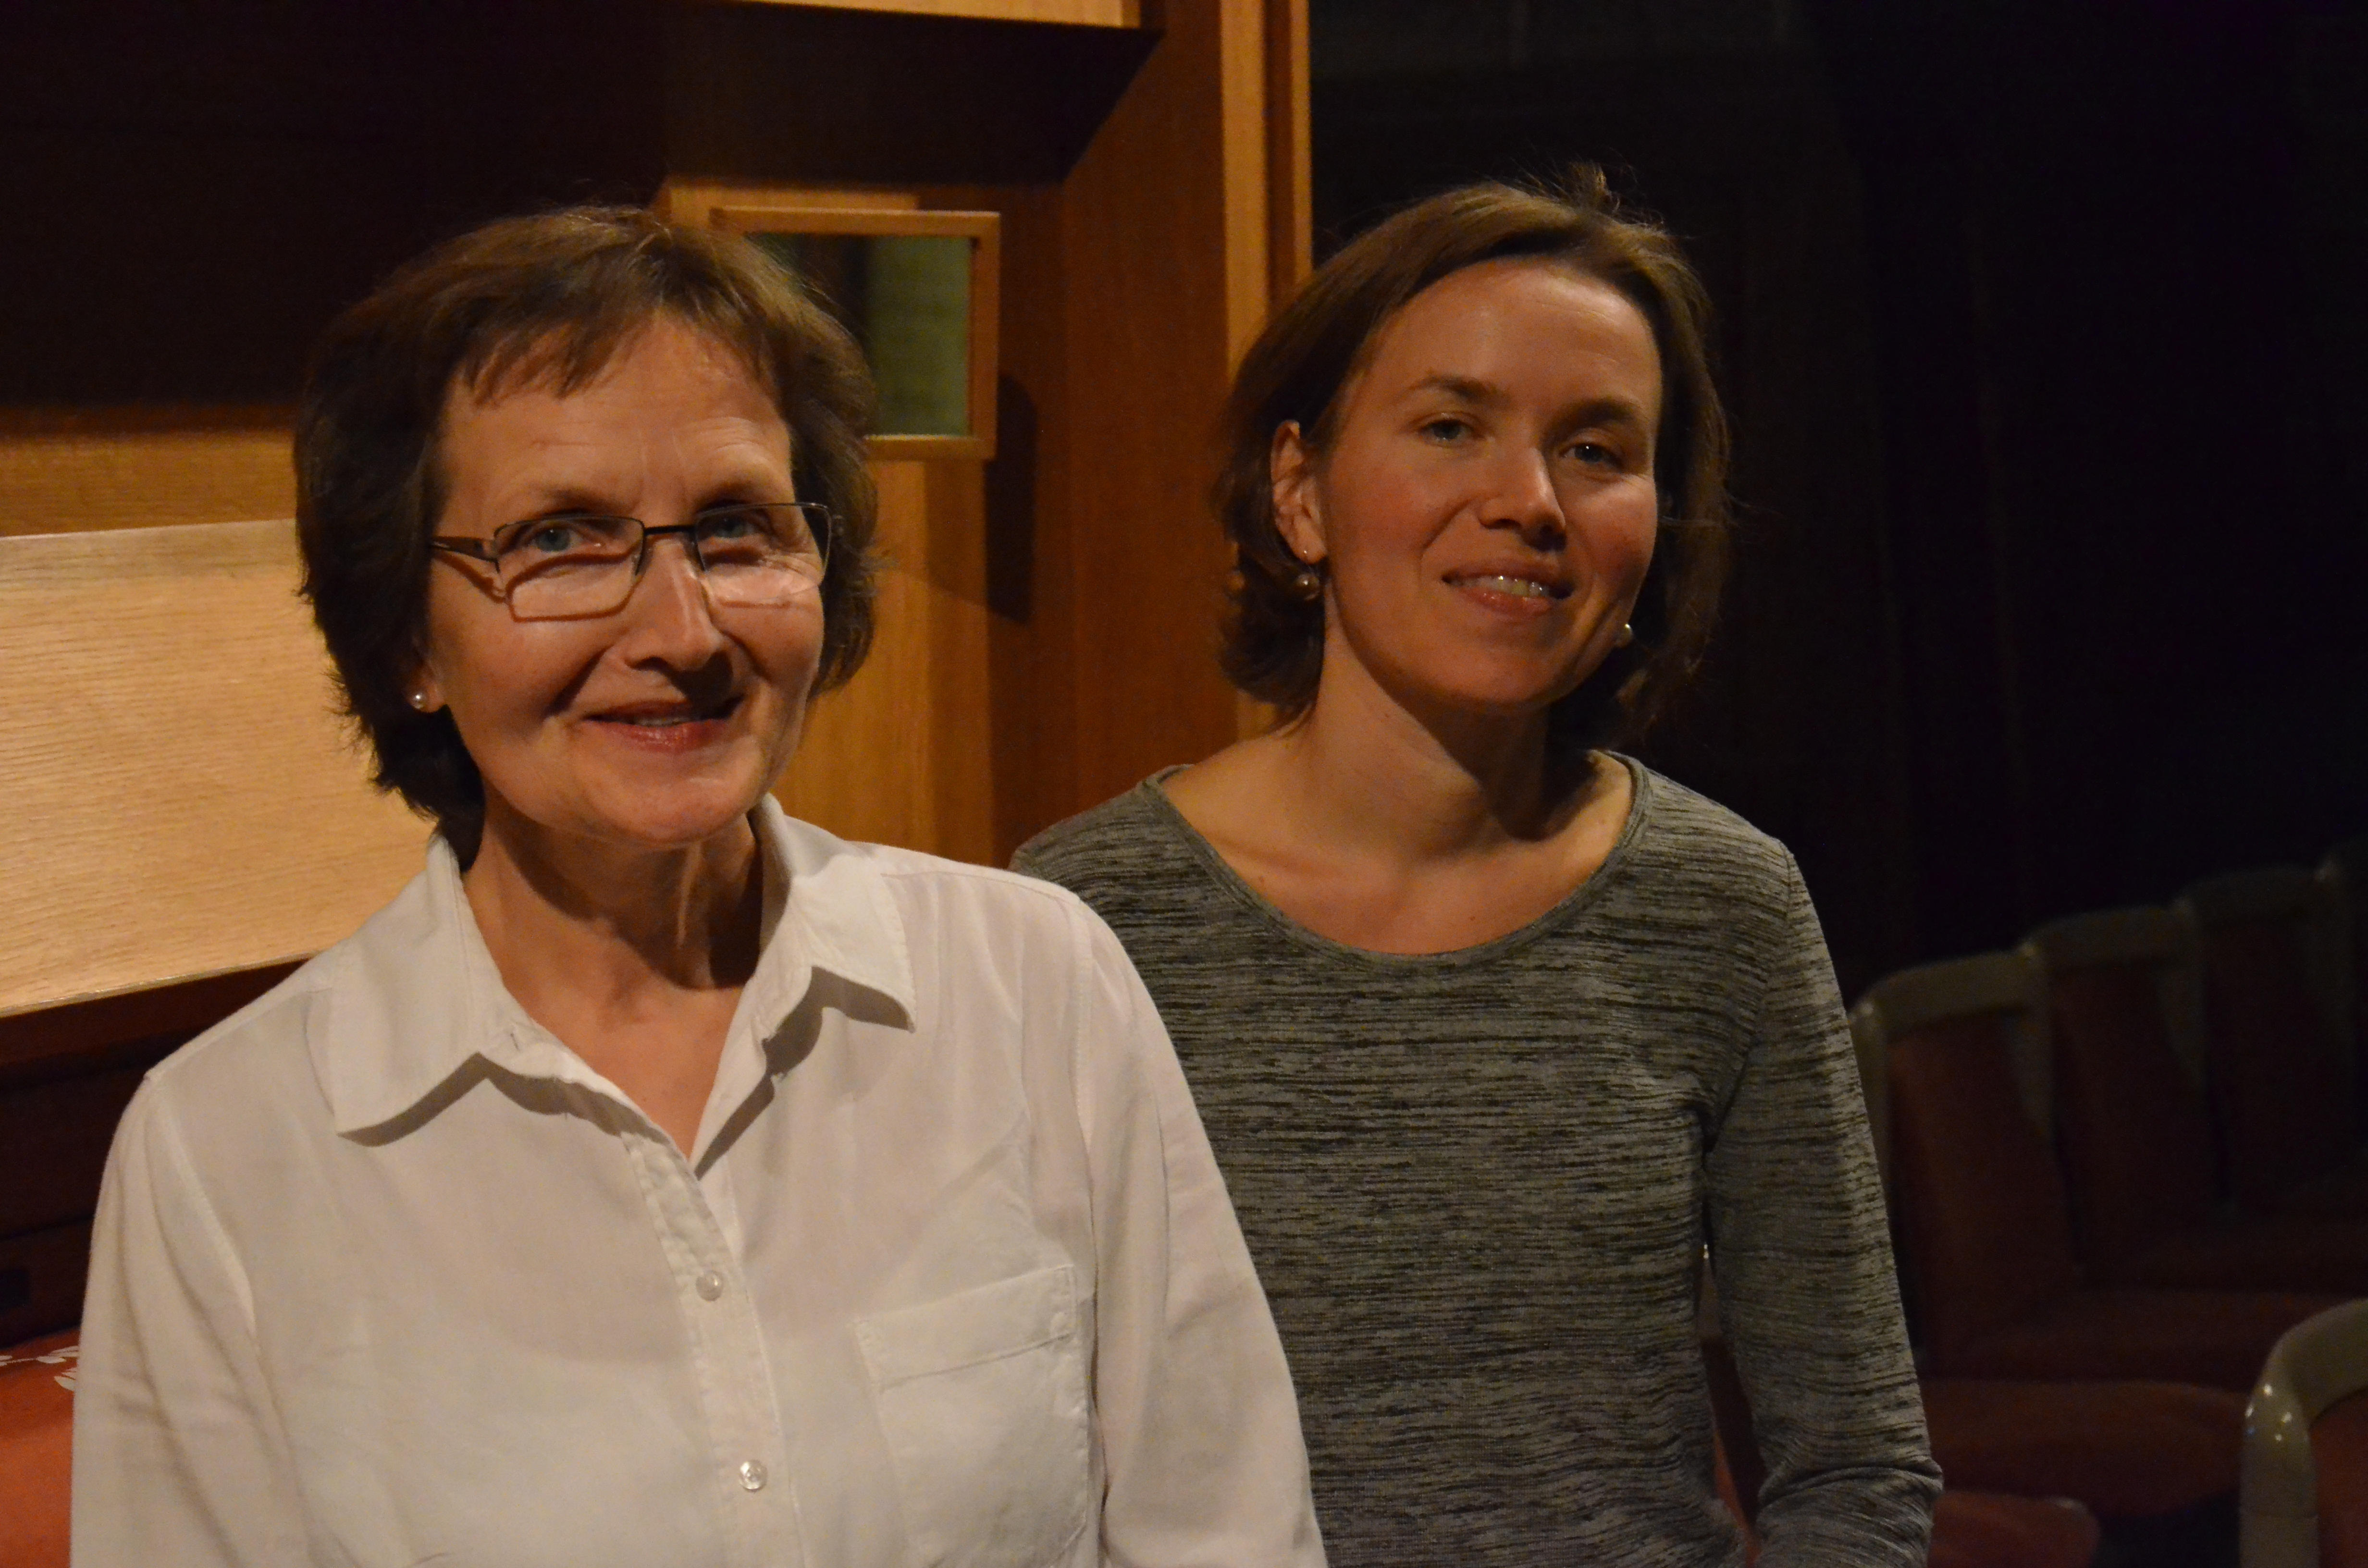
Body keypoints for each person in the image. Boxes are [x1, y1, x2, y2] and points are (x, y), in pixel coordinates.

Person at [72, 208, 1323, 1568]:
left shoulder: (1033, 982)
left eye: (735, 530)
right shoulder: (223, 1152)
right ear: (407, 641)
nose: (682, 633)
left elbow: (1227, 1533)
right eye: (559, 540)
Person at [1014, 172, 1941, 1564]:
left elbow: (1856, 1466)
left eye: (1596, 449)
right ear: (1300, 493)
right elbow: (1023, 1464)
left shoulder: (1722, 906)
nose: (1529, 502)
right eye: (1452, 427)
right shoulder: (1084, 918)